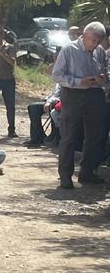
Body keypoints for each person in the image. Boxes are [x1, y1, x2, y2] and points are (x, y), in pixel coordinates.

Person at [51, 21, 107, 189]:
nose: (95, 44)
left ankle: (87, 171)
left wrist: (103, 80)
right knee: (69, 135)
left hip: (95, 94)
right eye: (93, 40)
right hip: (73, 94)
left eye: (98, 41)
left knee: (95, 135)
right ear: (84, 35)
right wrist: (78, 81)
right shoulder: (69, 50)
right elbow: (57, 75)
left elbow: (104, 71)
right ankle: (65, 176)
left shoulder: (100, 52)